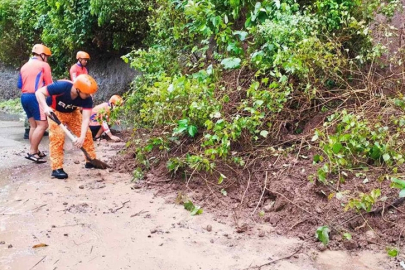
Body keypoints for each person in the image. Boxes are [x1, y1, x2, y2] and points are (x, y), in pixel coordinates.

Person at [35, 74, 99, 179]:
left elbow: (86, 119)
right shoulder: (62, 86)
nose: (89, 96)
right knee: (58, 137)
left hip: (73, 113)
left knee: (87, 134)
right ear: (78, 90)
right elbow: (39, 92)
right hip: (55, 112)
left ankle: (90, 160)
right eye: (87, 94)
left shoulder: (87, 99)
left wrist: (81, 137)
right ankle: (57, 168)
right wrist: (45, 107)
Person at [18, 44, 53, 163]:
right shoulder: (44, 65)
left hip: (24, 97)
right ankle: (32, 152)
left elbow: (19, 85)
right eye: (46, 56)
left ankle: (35, 150)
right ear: (42, 55)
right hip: (35, 97)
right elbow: (49, 85)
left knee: (33, 126)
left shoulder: (24, 66)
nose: (47, 58)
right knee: (43, 125)